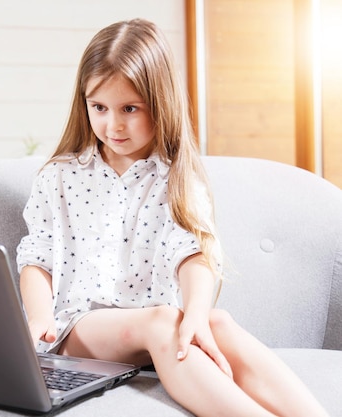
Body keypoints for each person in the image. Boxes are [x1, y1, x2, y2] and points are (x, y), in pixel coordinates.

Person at [16, 19, 328, 417]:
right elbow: (36, 256)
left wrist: (196, 315)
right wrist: (39, 318)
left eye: (130, 108)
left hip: (150, 332)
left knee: (220, 323)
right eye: (99, 108)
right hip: (75, 327)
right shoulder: (59, 176)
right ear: (85, 104)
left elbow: (193, 254)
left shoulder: (175, 177)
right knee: (163, 321)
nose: (113, 125)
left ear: (160, 103)